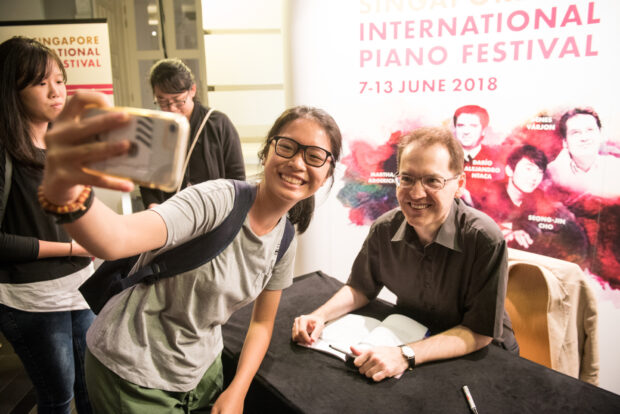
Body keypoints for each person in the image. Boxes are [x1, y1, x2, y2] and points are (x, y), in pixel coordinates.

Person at [39, 93, 342, 412]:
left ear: (327, 174)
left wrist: (238, 389)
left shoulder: (284, 239)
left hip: (201, 374)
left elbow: (262, 324)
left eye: (314, 156)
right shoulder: (217, 200)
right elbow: (116, 238)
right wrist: (67, 191)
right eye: (287, 146)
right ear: (267, 151)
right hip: (132, 371)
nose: (297, 162)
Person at [292, 126, 518, 382]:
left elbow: (479, 332)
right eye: (407, 178)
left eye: (432, 180)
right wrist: (319, 316)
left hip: (479, 356)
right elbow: (360, 288)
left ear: (459, 184)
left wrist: (404, 355)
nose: (416, 193)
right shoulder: (384, 229)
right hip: (413, 340)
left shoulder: (483, 239)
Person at [0, 37, 94, 413]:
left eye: (59, 79)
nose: (56, 91)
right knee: (58, 397)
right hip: (31, 300)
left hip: (82, 289)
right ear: (12, 89)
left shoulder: (63, 140)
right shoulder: (5, 150)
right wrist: (72, 248)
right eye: (41, 83)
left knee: (92, 391)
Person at [139, 58, 245, 208]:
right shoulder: (155, 129)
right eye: (163, 102)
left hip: (215, 216)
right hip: (170, 220)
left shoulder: (218, 123)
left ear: (192, 91)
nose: (172, 108)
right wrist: (153, 206)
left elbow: (238, 179)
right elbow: (147, 180)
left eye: (178, 100)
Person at [547, 107, 620, 199]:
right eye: (576, 133)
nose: (584, 138)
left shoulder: (617, 168)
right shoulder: (551, 174)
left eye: (590, 130)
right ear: (565, 142)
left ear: (600, 135)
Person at [452, 105, 503, 205]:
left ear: (483, 130)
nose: (466, 131)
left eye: (473, 126)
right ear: (455, 129)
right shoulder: (443, 156)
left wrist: (469, 201)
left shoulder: (497, 159)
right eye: (461, 125)